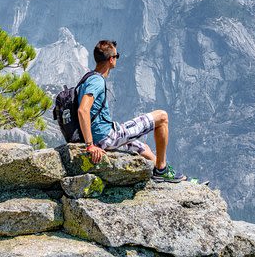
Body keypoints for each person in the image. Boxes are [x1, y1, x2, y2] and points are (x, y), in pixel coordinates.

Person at [77, 40, 186, 182]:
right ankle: (161, 169)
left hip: (104, 135)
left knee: (142, 148)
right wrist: (90, 145)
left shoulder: (88, 78)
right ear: (111, 59)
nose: (116, 59)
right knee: (162, 117)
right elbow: (82, 110)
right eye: (117, 56)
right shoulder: (97, 81)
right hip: (107, 137)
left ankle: (164, 178)